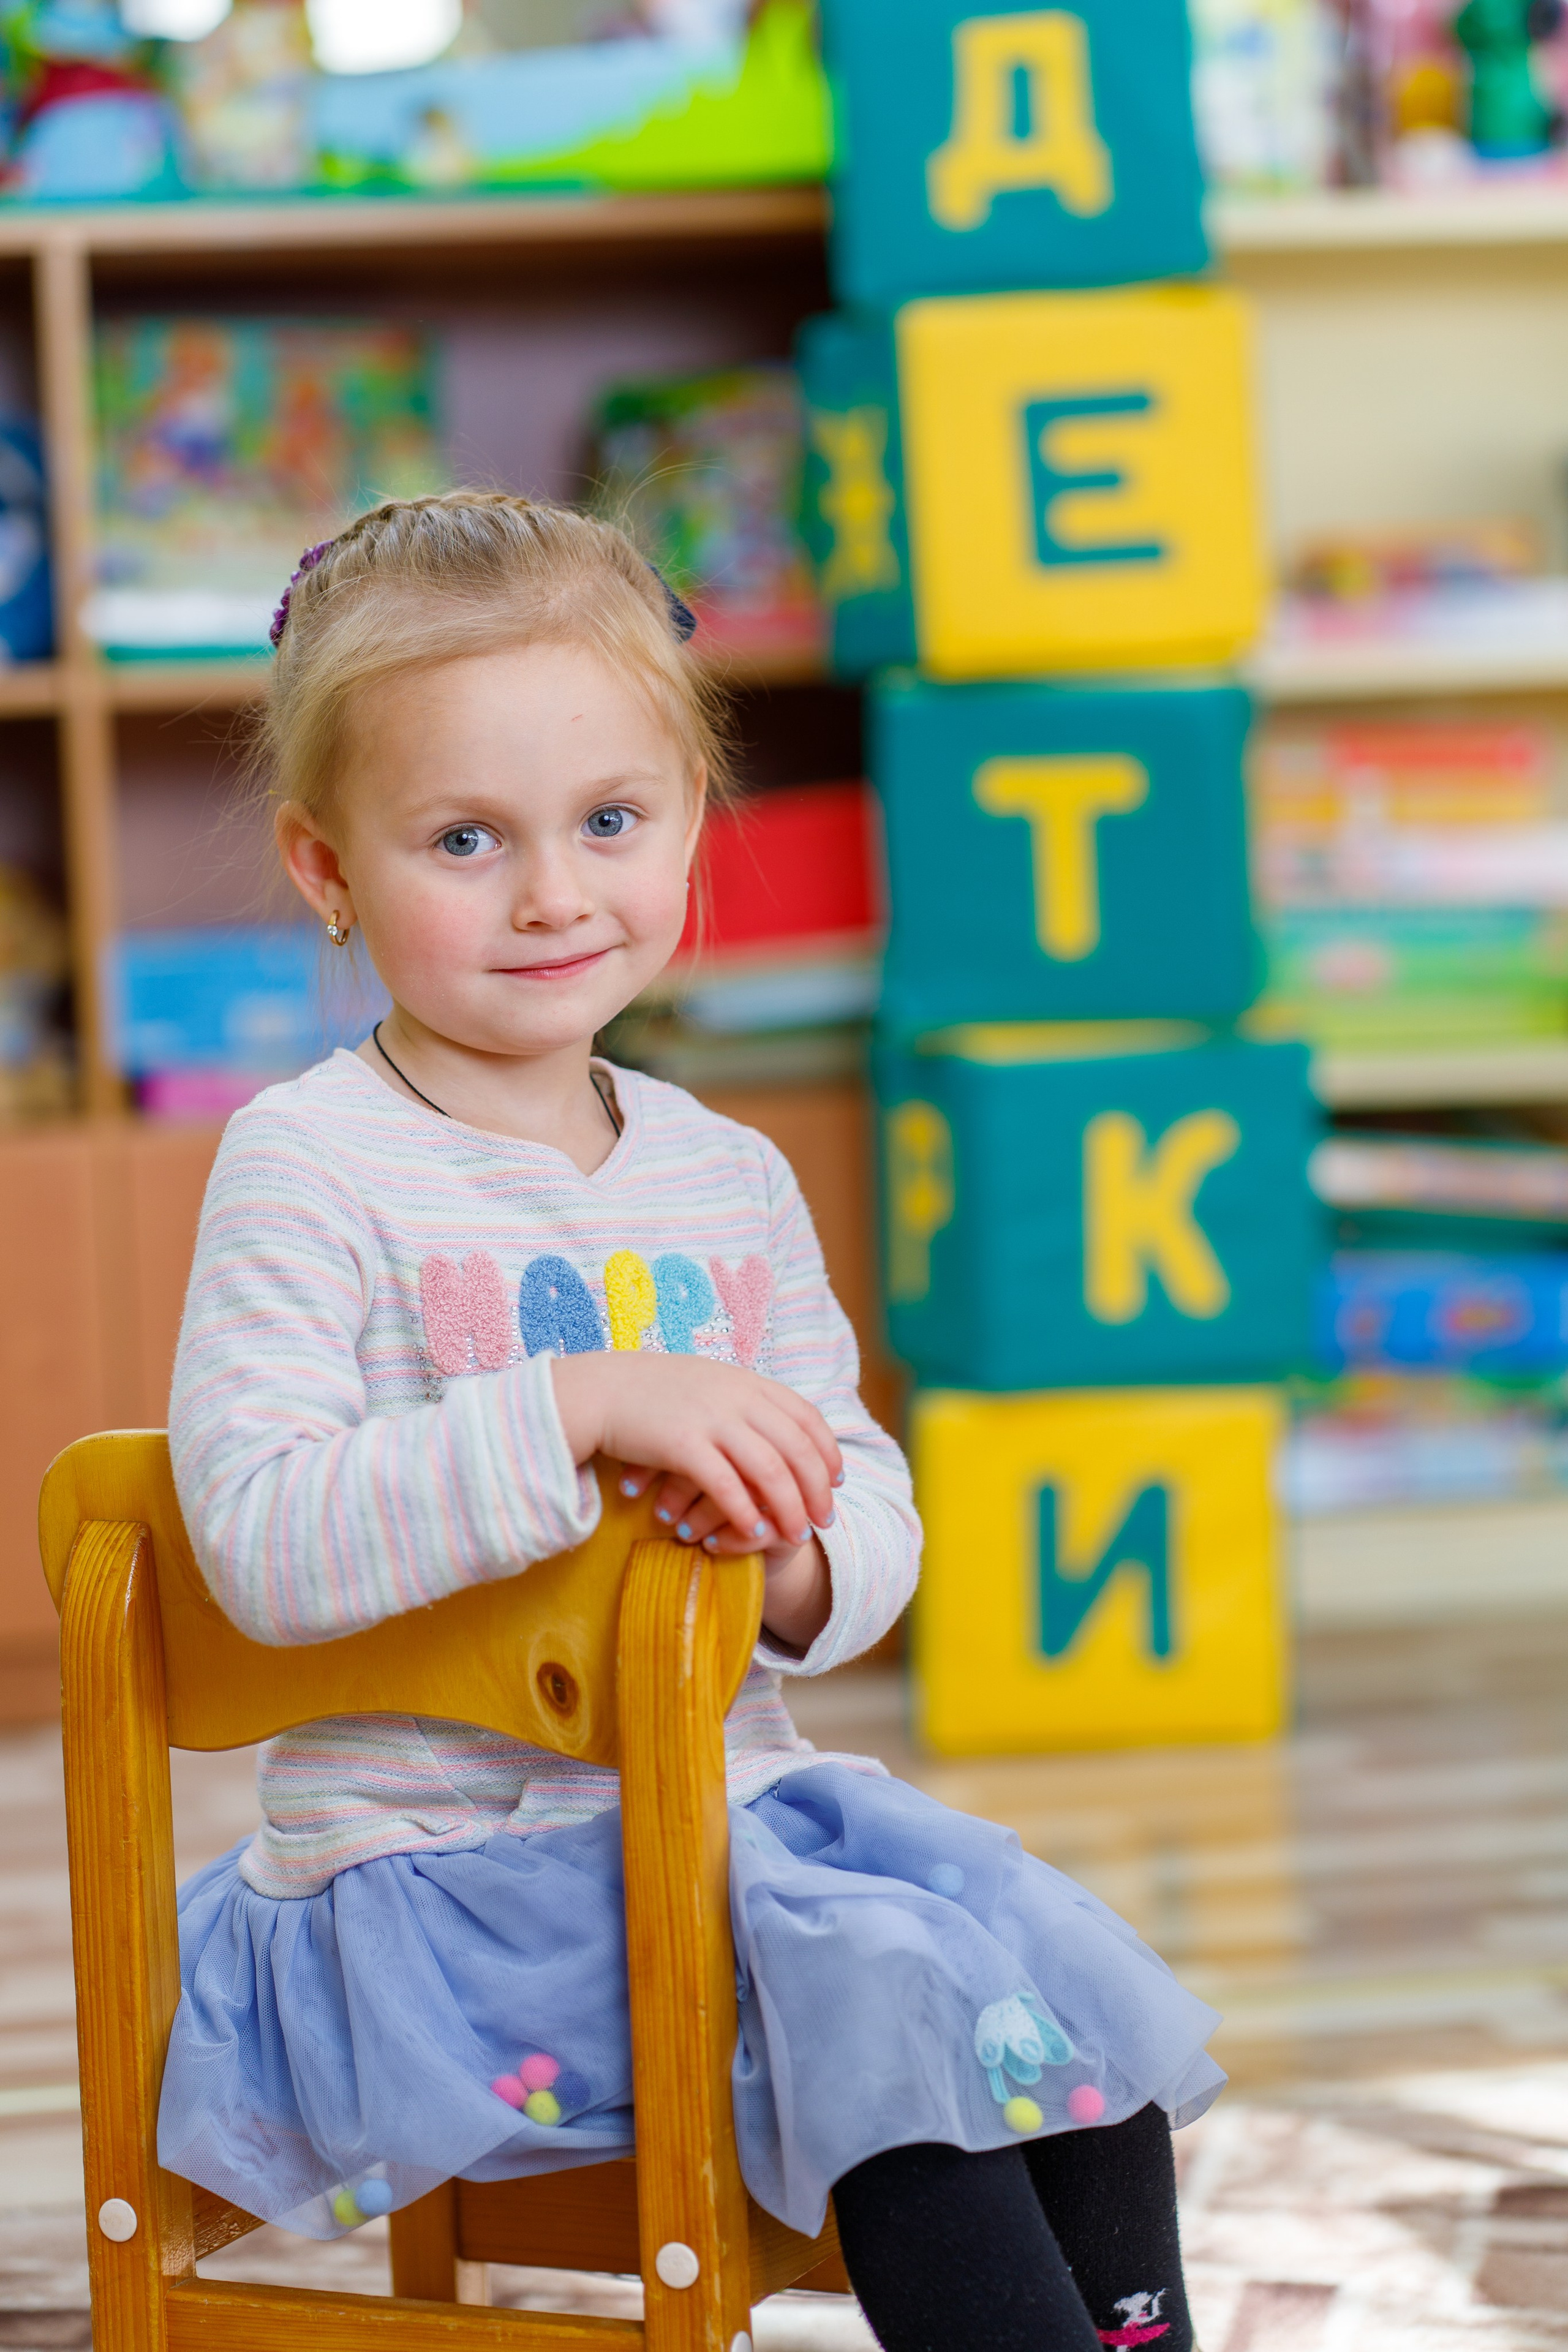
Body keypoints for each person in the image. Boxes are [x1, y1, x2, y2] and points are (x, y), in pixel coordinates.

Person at [160, 490, 1223, 2352]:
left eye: (610, 823)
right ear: (328, 870)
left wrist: (807, 1558)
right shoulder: (309, 1165)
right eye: (467, 838)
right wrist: (575, 1402)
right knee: (891, 1979)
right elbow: (254, 1532)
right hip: (428, 1896)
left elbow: (868, 1496)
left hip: (721, 1832)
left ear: (687, 833)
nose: (555, 892)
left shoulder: (723, 1179)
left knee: (1031, 1955)